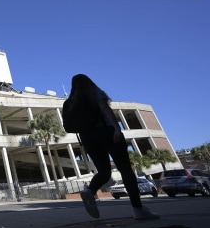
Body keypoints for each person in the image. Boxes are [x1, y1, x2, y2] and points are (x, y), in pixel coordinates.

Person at [67, 74, 159, 220]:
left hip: (88, 138)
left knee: (104, 171)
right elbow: (104, 108)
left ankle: (90, 190)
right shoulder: (94, 92)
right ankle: (137, 209)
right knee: (126, 170)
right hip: (106, 132)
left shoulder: (71, 102)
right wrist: (117, 129)